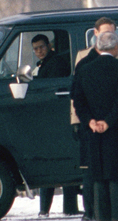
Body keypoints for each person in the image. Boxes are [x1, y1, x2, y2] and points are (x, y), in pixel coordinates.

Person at [71, 17, 118, 219]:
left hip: (92, 133)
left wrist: (90, 121)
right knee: (117, 178)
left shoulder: (83, 68)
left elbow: (77, 99)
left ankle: (100, 216)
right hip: (116, 132)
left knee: (97, 178)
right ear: (116, 47)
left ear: (97, 47)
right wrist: (108, 121)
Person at [31, 34, 79, 217]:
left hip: (55, 119)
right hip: (57, 120)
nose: (39, 51)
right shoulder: (46, 64)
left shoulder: (55, 63)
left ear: (49, 46)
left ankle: (46, 209)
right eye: (36, 49)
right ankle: (69, 207)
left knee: (50, 163)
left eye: (41, 47)